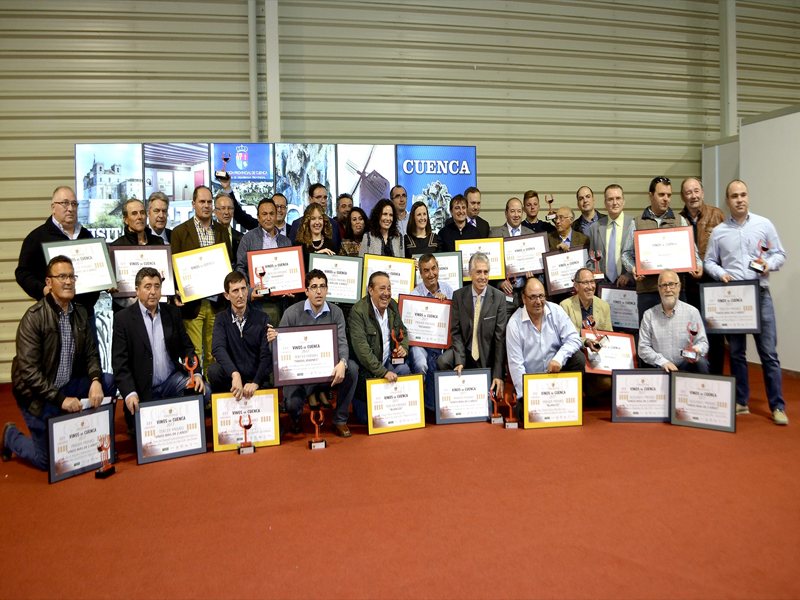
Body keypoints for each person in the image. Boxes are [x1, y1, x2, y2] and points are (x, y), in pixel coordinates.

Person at [3, 256, 116, 469]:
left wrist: (94, 380)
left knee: (108, 382)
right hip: (37, 395)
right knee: (49, 462)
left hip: (67, 384)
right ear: (48, 283)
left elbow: (92, 354)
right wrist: (61, 399)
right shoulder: (34, 318)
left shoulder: (81, 313)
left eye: (72, 276)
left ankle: (98, 443)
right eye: (61, 276)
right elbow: (29, 373)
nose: (68, 281)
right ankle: (11, 436)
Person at [704, 179, 788, 425]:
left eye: (743, 195)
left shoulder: (764, 224)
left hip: (760, 294)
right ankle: (742, 401)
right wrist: (721, 274)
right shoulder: (719, 232)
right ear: (727, 201)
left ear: (747, 197)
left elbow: (779, 254)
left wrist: (768, 265)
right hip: (733, 298)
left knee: (769, 353)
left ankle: (777, 406)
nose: (739, 199)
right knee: (738, 354)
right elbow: (709, 261)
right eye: (734, 196)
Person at [112, 267, 210, 435]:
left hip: (171, 382)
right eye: (148, 286)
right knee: (141, 435)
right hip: (143, 390)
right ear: (137, 290)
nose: (153, 292)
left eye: (157, 286)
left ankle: (178, 421)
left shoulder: (172, 312)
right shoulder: (123, 319)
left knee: (205, 391)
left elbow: (187, 348)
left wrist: (197, 375)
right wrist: (129, 394)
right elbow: (120, 364)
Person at [268, 270, 358, 437]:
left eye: (322, 286)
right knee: (292, 404)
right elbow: (279, 350)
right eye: (314, 287)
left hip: (327, 371)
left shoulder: (335, 312)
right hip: (300, 374)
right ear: (306, 290)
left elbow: (342, 343)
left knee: (351, 368)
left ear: (327, 289)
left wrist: (342, 362)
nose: (318, 291)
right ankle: (295, 419)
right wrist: (272, 341)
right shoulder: (292, 313)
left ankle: (339, 420)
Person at [170, 185, 232, 378]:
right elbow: (175, 267)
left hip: (217, 304)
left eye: (209, 202)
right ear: (193, 204)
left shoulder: (222, 231)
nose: (206, 206)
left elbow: (228, 262)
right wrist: (176, 291)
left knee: (214, 354)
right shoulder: (179, 232)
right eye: (202, 202)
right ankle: (197, 397)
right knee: (194, 354)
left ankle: (211, 397)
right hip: (193, 304)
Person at [621, 176, 702, 321]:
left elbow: (693, 252)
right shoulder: (637, 222)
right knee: (648, 336)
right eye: (661, 195)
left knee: (679, 335)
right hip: (648, 291)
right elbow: (626, 254)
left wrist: (699, 264)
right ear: (651, 196)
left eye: (669, 195)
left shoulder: (680, 221)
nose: (666, 199)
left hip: (675, 290)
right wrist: (633, 268)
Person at [15, 186, 101, 318]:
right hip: (52, 314)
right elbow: (23, 273)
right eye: (65, 203)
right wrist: (43, 289)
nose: (71, 208)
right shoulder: (37, 237)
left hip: (85, 315)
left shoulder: (87, 236)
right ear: (53, 207)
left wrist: (107, 282)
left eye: (74, 204)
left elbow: (98, 270)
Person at [506, 276, 584, 419]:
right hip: (533, 384)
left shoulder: (556, 311)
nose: (538, 302)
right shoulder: (514, 324)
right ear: (524, 299)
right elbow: (516, 365)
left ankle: (567, 401)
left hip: (556, 377)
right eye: (533, 297)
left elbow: (574, 338)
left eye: (541, 296)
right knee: (526, 417)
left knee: (578, 358)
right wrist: (527, 396)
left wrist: (559, 359)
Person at [437, 252, 506, 397]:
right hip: (465, 349)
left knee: (489, 401)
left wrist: (498, 373)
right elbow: (455, 332)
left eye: (486, 272)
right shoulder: (459, 296)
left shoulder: (499, 297)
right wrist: (460, 360)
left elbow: (500, 338)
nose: (482, 277)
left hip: (486, 352)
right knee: (443, 361)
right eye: (478, 272)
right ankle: (452, 398)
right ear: (470, 273)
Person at [348, 271, 411, 424]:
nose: (387, 294)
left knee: (403, 369)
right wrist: (383, 372)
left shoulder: (393, 306)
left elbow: (402, 330)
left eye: (389, 289)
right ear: (370, 290)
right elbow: (363, 352)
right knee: (366, 420)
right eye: (382, 289)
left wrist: (403, 347)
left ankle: (397, 408)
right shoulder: (358, 312)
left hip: (388, 363)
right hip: (367, 371)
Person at [679, 177, 726, 374]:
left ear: (703, 192)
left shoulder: (717, 215)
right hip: (688, 290)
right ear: (682, 196)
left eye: (696, 191)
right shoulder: (678, 220)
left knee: (716, 338)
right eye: (688, 192)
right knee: (691, 336)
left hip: (713, 289)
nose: (693, 196)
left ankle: (716, 381)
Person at [209, 271, 272, 400]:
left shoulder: (263, 318)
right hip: (232, 379)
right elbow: (217, 348)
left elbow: (266, 355)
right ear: (227, 295)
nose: (241, 295)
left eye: (243, 289)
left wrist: (256, 382)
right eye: (235, 291)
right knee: (214, 371)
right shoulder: (221, 319)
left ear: (248, 289)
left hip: (256, 378)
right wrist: (235, 374)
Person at [638, 269, 710, 374]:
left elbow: (702, 342)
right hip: (661, 368)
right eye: (664, 285)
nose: (668, 289)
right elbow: (643, 348)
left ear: (679, 286)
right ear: (659, 289)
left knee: (701, 362)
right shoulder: (648, 315)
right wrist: (663, 362)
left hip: (686, 365)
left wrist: (695, 350)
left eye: (672, 285)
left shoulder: (692, 312)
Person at [235, 197, 292, 324]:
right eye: (264, 214)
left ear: (276, 215)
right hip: (256, 304)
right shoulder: (248, 239)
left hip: (279, 303)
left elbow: (290, 269)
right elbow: (240, 268)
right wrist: (249, 292)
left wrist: (291, 287)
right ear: (258, 217)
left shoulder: (286, 242)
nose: (268, 218)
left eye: (272, 214)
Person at [409, 254, 454, 410]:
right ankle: (416, 400)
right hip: (420, 343)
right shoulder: (414, 295)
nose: (431, 274)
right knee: (421, 363)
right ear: (420, 274)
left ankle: (435, 400)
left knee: (434, 408)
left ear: (438, 268)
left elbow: (455, 320)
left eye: (433, 269)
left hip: (442, 342)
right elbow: (411, 327)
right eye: (426, 271)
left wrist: (447, 304)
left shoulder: (448, 289)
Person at [560, 268, 613, 399]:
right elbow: (563, 337)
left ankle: (588, 391)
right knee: (578, 359)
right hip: (575, 355)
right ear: (576, 285)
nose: (590, 286)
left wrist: (601, 343)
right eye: (585, 283)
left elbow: (609, 334)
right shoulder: (564, 306)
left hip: (597, 356)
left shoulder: (604, 306)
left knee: (608, 383)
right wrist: (586, 342)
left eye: (592, 282)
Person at [110, 198, 165, 313]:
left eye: (142, 212)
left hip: (156, 308)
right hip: (126, 311)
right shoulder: (116, 247)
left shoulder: (158, 243)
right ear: (125, 219)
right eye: (134, 213)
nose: (139, 217)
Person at [490, 197, 534, 313]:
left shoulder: (531, 234)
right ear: (506, 213)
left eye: (519, 211)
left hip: (526, 292)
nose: (516, 215)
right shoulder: (495, 234)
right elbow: (490, 264)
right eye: (512, 211)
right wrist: (499, 282)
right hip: (505, 293)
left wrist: (533, 276)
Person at [588, 184, 634, 286]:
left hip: (627, 285)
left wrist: (629, 275)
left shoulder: (633, 224)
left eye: (618, 198)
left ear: (623, 201)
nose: (615, 203)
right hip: (603, 285)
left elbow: (639, 258)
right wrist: (594, 275)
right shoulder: (596, 227)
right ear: (605, 203)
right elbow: (591, 258)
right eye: (610, 199)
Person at [289, 184, 342, 248]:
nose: (323, 201)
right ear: (310, 199)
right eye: (318, 197)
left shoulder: (334, 224)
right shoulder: (297, 224)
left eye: (325, 197)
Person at [296, 203, 337, 270]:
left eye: (320, 218)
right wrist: (317, 255)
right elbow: (299, 271)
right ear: (307, 221)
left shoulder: (330, 244)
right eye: (313, 218)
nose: (317, 222)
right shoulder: (300, 245)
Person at [214, 193, 243, 260]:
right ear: (215, 212)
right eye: (222, 208)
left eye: (229, 208)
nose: (226, 212)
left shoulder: (241, 238)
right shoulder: (210, 236)